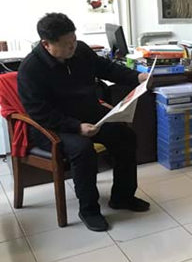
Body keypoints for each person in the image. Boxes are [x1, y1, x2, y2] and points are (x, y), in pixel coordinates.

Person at [18, 13, 150, 232]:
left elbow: (107, 68)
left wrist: (136, 77)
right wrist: (76, 127)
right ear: (46, 44)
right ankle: (89, 210)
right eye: (66, 44)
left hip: (89, 116)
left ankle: (122, 197)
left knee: (125, 136)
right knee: (82, 149)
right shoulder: (30, 69)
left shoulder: (80, 51)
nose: (72, 47)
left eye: (74, 40)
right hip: (53, 126)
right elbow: (38, 112)